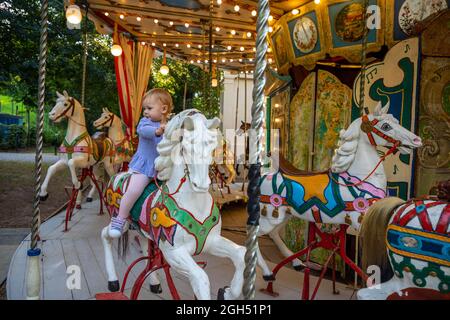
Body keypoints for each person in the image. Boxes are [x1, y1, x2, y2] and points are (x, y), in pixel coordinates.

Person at [108, 88, 172, 238]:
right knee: (134, 190)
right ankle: (120, 218)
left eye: (149, 108)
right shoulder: (145, 122)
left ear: (163, 109)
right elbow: (143, 131)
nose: (145, 112)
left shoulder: (170, 125)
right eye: (145, 108)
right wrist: (158, 131)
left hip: (162, 168)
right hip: (144, 168)